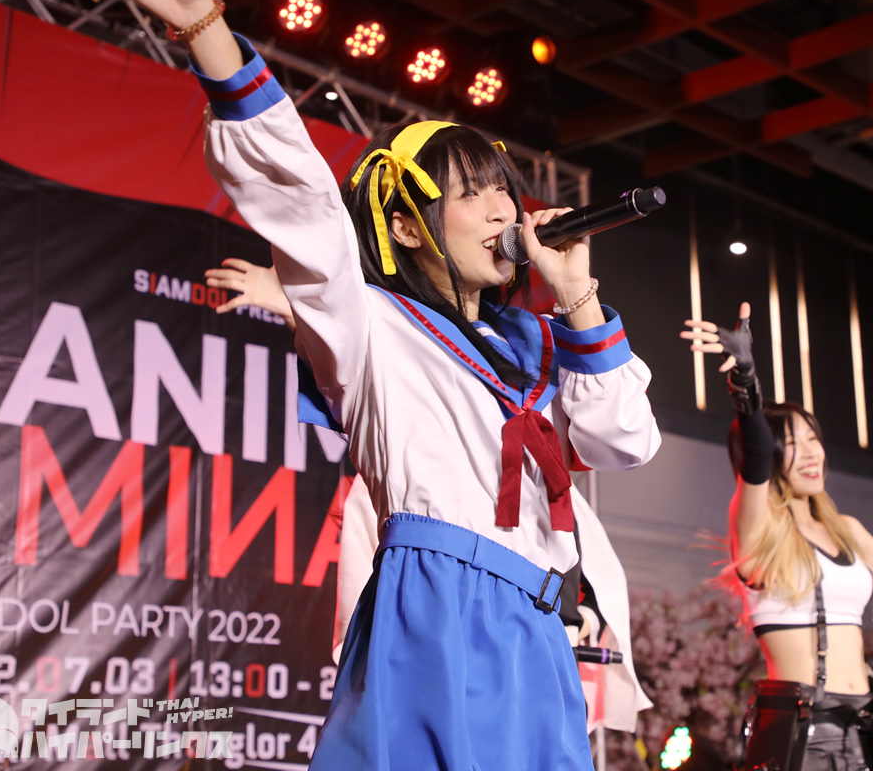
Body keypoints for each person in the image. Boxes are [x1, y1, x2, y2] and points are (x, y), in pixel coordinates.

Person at [93, 0, 663, 768]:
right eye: (472, 195)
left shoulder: (543, 340)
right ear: (406, 225)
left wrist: (578, 297)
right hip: (434, 605)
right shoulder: (369, 324)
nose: (504, 211)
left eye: (504, 190)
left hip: (537, 631)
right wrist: (203, 26)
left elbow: (624, 441)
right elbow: (302, 202)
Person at [205, 258, 654, 732]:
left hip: (537, 659)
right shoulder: (391, 474)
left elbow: (622, 448)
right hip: (434, 655)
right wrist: (305, 310)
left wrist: (578, 619)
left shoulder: (537, 442)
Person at [680, 303, 873, 771]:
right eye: (791, 443)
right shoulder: (757, 529)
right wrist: (746, 380)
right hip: (800, 733)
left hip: (866, 727)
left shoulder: (850, 531)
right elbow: (757, 454)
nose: (809, 453)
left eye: (813, 438)